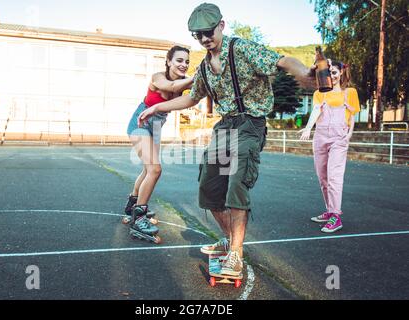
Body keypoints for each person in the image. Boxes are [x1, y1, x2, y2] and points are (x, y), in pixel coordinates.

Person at [138, 3, 315, 276]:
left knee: (236, 182)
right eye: (198, 35)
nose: (205, 38)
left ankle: (236, 255)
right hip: (225, 127)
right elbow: (192, 97)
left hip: (250, 124)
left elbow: (282, 60)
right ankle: (229, 240)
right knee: (209, 189)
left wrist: (304, 73)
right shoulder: (205, 68)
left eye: (209, 31)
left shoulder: (242, 49)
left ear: (221, 25)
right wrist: (156, 107)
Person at [125, 45, 193, 241]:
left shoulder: (184, 82)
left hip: (156, 127)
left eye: (187, 62)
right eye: (179, 60)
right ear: (169, 61)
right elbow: (171, 88)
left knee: (148, 170)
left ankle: (132, 206)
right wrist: (198, 76)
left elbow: (191, 96)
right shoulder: (158, 77)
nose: (184, 65)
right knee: (155, 170)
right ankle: (139, 219)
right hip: (140, 122)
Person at [300, 60, 360, 233]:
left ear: (341, 73)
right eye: (328, 73)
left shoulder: (350, 92)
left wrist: (349, 134)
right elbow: (315, 111)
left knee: (334, 177)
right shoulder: (320, 93)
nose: (332, 76)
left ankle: (336, 216)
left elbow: (352, 115)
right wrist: (308, 128)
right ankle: (329, 210)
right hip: (320, 137)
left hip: (339, 137)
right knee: (323, 178)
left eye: (334, 72)